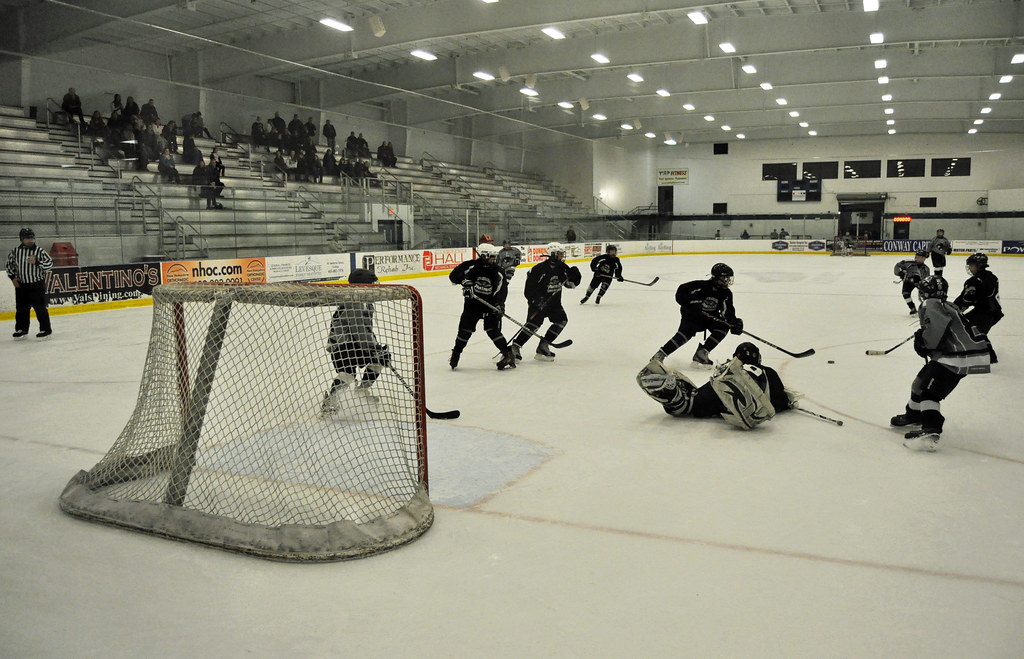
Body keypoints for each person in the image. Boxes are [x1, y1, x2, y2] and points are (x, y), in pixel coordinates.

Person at [890, 276, 991, 452]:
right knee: (919, 383)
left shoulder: (931, 304)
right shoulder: (945, 304)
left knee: (930, 394)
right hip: (954, 355)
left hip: (956, 357)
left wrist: (924, 343)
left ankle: (931, 430)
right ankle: (913, 415)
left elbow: (937, 329)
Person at [637, 342, 799, 429]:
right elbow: (780, 398)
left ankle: (673, 394)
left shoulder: (729, 371)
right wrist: (787, 403)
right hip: (754, 405)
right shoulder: (768, 371)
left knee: (692, 404)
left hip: (727, 392)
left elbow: (708, 392)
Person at [320, 268, 392, 416]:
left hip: (353, 343)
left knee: (379, 360)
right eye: (372, 283)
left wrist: (376, 348)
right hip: (342, 345)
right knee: (347, 374)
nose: (375, 286)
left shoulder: (365, 301)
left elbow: (365, 330)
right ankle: (330, 401)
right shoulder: (355, 302)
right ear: (363, 285)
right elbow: (359, 330)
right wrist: (374, 348)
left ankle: (361, 391)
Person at [651, 263, 743, 368]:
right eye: (725, 278)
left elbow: (728, 311)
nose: (728, 281)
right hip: (692, 316)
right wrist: (690, 305)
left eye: (728, 278)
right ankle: (660, 355)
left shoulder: (726, 293)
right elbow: (681, 292)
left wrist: (733, 322)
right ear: (716, 277)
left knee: (723, 326)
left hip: (709, 318)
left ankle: (702, 353)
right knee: (685, 334)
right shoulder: (700, 286)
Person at [447, 243, 517, 371]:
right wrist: (465, 282)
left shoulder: (498, 271)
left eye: (494, 257)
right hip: (472, 306)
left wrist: (499, 305)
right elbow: (453, 276)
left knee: (493, 330)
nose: (493, 259)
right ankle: (456, 353)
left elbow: (501, 291)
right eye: (490, 257)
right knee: (464, 331)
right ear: (483, 255)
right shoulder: (470, 266)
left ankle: (508, 355)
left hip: (490, 307)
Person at [508, 242, 581, 362]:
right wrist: (536, 301)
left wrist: (576, 278)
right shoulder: (539, 269)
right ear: (552, 254)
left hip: (554, 303)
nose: (562, 257)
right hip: (538, 303)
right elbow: (528, 289)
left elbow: (570, 285)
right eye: (560, 254)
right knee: (533, 325)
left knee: (561, 320)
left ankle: (543, 345)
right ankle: (515, 346)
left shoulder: (562, 267)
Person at [953, 252, 1003, 363]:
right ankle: (972, 350)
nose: (970, 269)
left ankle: (991, 358)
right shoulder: (991, 277)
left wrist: (954, 311)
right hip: (986, 310)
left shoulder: (974, 281)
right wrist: (953, 306)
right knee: (966, 326)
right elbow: (964, 296)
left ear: (979, 265)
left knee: (978, 332)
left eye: (971, 266)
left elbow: (967, 300)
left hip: (989, 312)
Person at [6, 228, 53, 339]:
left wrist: (37, 262)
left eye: (32, 238)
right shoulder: (15, 252)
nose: (30, 240)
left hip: (36, 284)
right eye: (27, 238)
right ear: (22, 239)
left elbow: (49, 264)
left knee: (40, 308)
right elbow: (9, 265)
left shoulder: (39, 251)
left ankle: (45, 330)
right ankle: (22, 329)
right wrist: (12, 277)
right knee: (22, 308)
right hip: (22, 285)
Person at [894, 249, 931, 314]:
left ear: (924, 259)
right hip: (908, 281)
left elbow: (926, 279)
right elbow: (897, 267)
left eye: (922, 258)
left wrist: (922, 285)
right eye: (918, 257)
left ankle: (927, 309)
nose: (919, 259)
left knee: (924, 296)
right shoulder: (907, 263)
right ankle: (912, 308)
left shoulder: (926, 269)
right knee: (905, 293)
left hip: (919, 283)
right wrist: (900, 273)